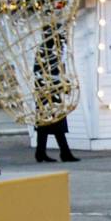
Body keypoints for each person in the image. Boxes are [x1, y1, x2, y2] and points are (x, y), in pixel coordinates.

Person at [32, 25, 79, 163]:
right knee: (53, 123)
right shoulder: (47, 52)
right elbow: (48, 74)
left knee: (47, 124)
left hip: (48, 93)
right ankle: (63, 152)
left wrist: (63, 84)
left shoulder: (50, 51)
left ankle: (42, 152)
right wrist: (60, 85)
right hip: (48, 93)